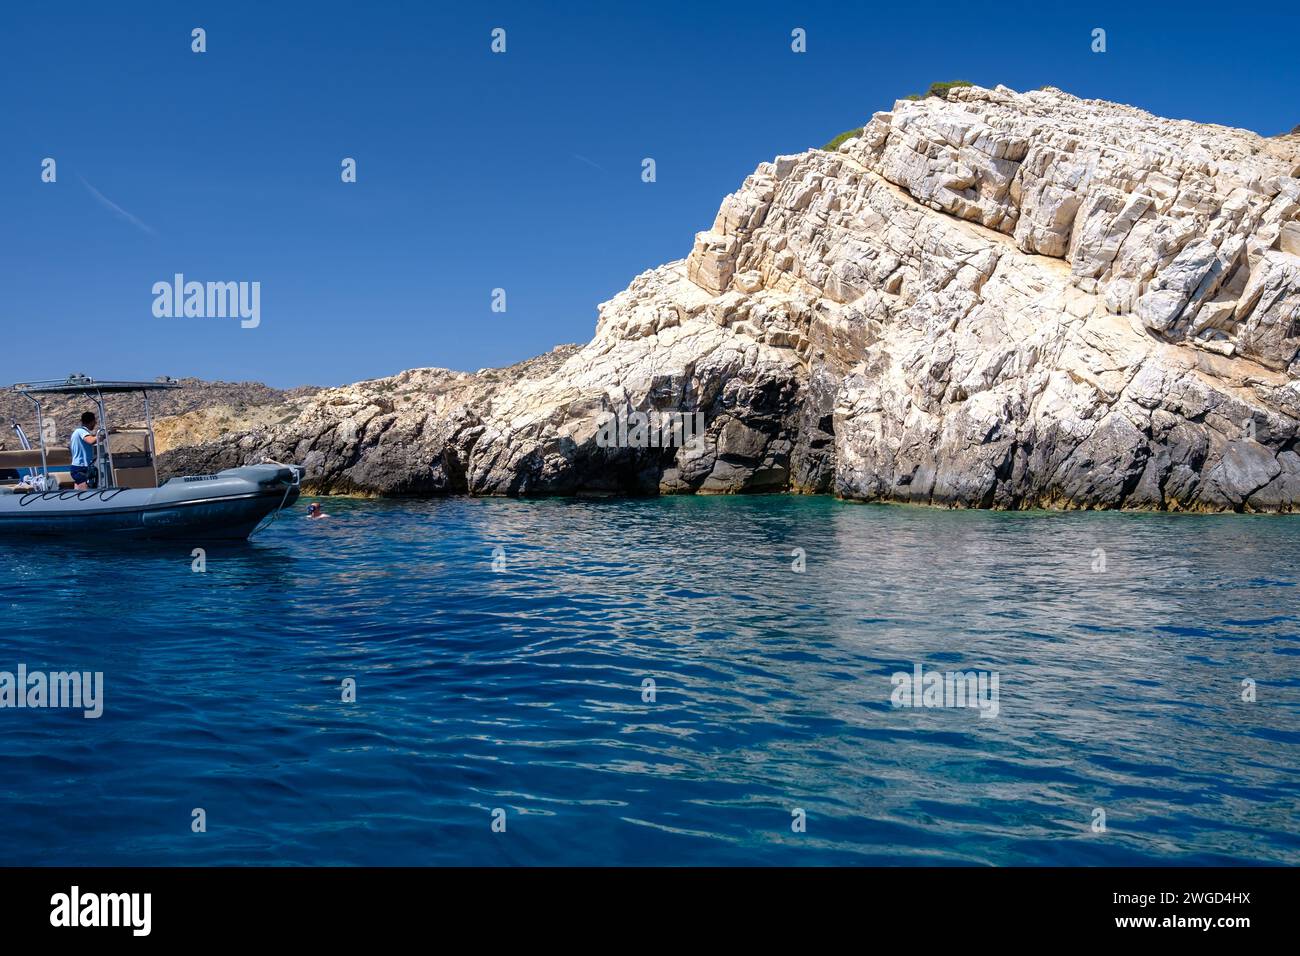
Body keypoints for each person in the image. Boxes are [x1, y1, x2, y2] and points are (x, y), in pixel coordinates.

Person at [70, 411, 100, 490]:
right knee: (85, 492)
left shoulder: (78, 432)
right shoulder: (81, 431)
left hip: (78, 467)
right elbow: (91, 441)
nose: (95, 423)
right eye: (95, 421)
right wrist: (104, 435)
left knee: (78, 490)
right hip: (81, 467)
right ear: (92, 421)